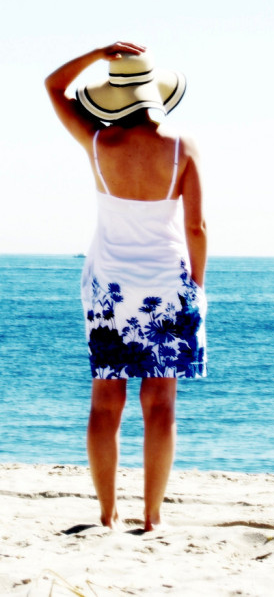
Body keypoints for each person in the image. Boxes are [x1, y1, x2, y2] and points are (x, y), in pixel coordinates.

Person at [45, 42, 207, 531]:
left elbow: (54, 85)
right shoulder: (182, 147)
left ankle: (106, 514)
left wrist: (98, 53)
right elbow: (197, 227)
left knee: (104, 401)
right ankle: (152, 516)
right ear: (156, 93)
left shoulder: (98, 143)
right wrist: (195, 286)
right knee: (160, 403)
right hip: (167, 286)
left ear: (115, 98)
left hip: (108, 289)